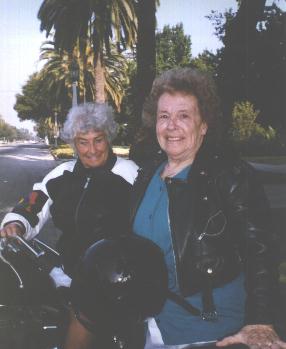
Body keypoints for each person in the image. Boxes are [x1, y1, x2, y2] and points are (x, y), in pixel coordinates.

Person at [129, 67, 286, 349]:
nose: (171, 125)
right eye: (164, 116)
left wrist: (260, 320)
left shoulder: (229, 176)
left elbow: (260, 248)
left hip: (210, 329)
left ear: (204, 125)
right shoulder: (147, 175)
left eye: (184, 116)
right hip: (153, 324)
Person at [0, 102, 138, 280]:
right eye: (83, 142)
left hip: (118, 278)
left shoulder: (131, 174)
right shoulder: (61, 174)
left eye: (98, 140)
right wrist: (17, 223)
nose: (92, 150)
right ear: (74, 143)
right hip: (68, 274)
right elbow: (34, 201)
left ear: (108, 138)